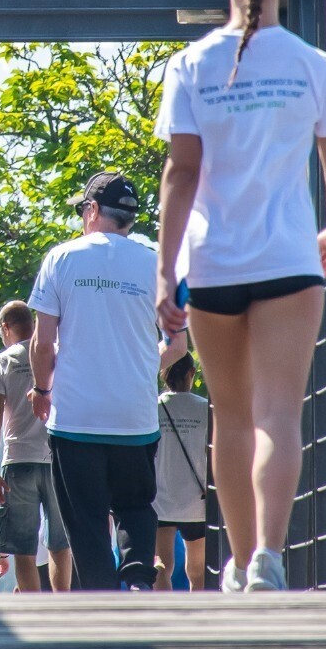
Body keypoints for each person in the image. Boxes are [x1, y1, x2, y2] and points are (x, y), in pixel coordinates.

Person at [154, 0, 326, 593]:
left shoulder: (190, 66)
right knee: (279, 414)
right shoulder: (313, 65)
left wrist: (166, 272)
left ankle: (238, 565)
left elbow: (180, 175)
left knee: (232, 418)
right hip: (290, 262)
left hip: (214, 266)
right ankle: (270, 556)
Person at [27, 172, 188, 591]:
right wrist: (140, 369)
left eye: (84, 209)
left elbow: (43, 344)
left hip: (75, 419)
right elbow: (179, 345)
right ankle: (136, 580)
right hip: (134, 418)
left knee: (85, 518)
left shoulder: (61, 259)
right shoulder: (155, 263)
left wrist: (42, 391)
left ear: (93, 210)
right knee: (136, 506)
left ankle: (100, 600)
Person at [0, 301, 72, 593]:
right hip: (58, 458)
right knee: (60, 543)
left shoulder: (1, 362)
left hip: (18, 460)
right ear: (32, 325)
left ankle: (34, 613)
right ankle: (61, 614)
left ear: (6, 328)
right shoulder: (57, 355)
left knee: (24, 548)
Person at [153, 353, 210, 590]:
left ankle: (166, 618)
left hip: (161, 499)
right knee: (197, 571)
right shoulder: (205, 409)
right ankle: (198, 620)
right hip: (196, 501)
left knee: (161, 567)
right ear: (191, 373)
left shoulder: (153, 408)